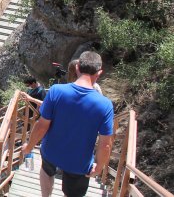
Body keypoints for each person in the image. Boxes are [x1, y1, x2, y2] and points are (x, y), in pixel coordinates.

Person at [21, 51, 114, 197]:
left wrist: (29, 146)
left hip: (51, 150)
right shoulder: (105, 105)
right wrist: (99, 166)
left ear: (77, 68)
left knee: (46, 171)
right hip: (79, 160)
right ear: (99, 73)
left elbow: (41, 125)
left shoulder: (56, 91)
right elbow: (105, 144)